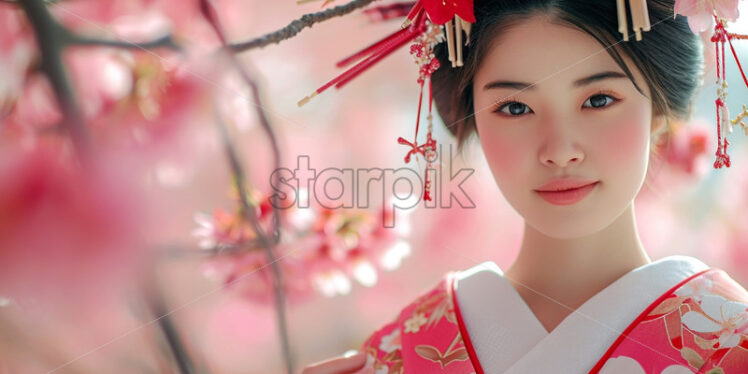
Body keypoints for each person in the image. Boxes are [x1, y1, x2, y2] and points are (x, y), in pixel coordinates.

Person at [302, 0, 748, 373]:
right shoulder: (403, 351)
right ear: (471, 117)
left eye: (598, 100)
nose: (558, 150)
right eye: (515, 108)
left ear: (657, 110)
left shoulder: (732, 341)